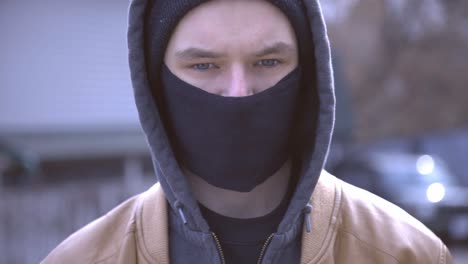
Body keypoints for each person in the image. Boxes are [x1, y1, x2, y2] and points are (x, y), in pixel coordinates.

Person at [43, 0, 453, 263]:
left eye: (268, 62)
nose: (239, 93)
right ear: (157, 85)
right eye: (204, 66)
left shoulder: (406, 253)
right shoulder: (84, 258)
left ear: (307, 75)